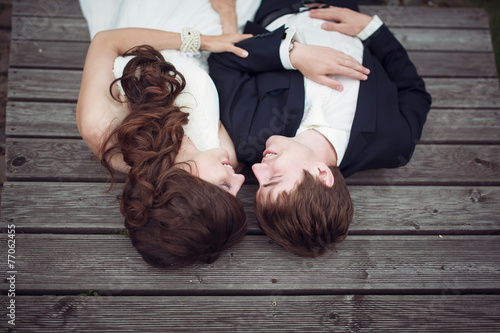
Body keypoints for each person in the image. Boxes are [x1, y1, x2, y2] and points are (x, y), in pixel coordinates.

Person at [208, 0, 432, 257]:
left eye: (258, 184)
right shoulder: (394, 142)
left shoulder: (250, 138)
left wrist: (290, 55)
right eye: (274, 179)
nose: (257, 169)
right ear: (323, 175)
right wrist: (372, 30)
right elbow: (413, 90)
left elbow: (223, 59)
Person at [76, 0, 259, 268]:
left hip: (149, 22)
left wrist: (203, 41)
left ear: (184, 185)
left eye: (224, 186)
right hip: (213, 33)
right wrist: (228, 20)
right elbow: (228, 80)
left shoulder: (105, 130)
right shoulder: (223, 156)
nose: (239, 179)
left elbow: (107, 42)